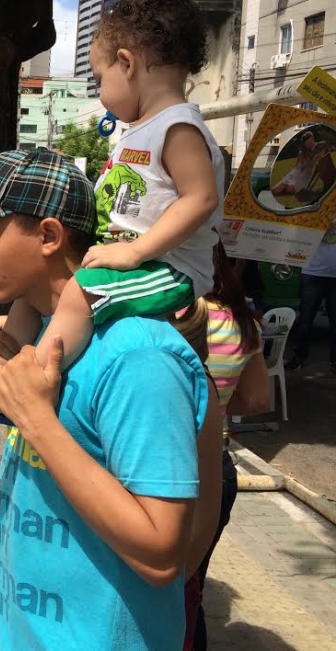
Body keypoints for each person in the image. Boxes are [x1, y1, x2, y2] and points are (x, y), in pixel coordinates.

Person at [0, 147, 209, 650]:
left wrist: (36, 420)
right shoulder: (36, 335)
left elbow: (162, 554)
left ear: (49, 236)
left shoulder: (138, 355)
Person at [0, 0, 224, 380]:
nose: (100, 93)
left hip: (169, 268)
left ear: (127, 63)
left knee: (81, 291)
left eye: (99, 78)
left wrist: (136, 252)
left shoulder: (177, 126)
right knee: (39, 292)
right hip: (135, 261)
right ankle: (6, 358)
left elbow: (201, 197)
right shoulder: (141, 129)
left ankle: (36, 378)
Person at [182, 243, 271, 651]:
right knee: (192, 591)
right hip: (217, 467)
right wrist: (216, 407)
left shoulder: (165, 313)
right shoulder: (242, 322)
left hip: (159, 464)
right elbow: (257, 401)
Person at [287, 224, 336, 372]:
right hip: (312, 272)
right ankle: (300, 358)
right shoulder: (316, 211)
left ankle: (334, 361)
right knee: (305, 321)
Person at [271, 131, 329, 197]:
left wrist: (314, 155)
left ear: (313, 138)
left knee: (290, 188)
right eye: (307, 143)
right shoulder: (302, 152)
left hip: (306, 173)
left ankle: (287, 187)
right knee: (277, 189)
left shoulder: (319, 147)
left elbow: (321, 154)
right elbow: (297, 166)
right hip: (298, 171)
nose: (310, 144)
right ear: (304, 144)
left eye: (311, 141)